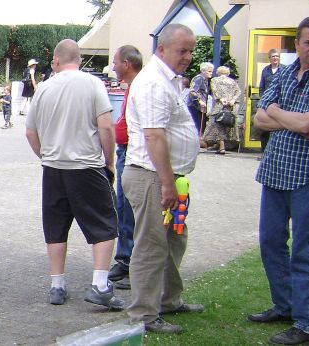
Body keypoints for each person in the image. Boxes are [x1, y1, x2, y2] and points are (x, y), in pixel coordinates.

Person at [248, 16, 309, 345]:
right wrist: (288, 117)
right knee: (271, 242)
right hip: (275, 169)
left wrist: (278, 113)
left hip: (307, 175)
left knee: (305, 249)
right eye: (308, 42)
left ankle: (306, 324)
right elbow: (261, 117)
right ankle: (285, 305)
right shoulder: (286, 72)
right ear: (297, 44)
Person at [25, 39, 124, 310]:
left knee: (55, 226)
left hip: (54, 169)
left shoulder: (43, 88)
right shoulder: (92, 84)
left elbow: (30, 132)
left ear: (56, 60)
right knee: (104, 224)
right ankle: (101, 286)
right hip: (86, 167)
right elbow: (105, 127)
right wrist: (109, 162)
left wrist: (45, 155)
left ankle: (57, 285)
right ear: (78, 60)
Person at [122, 23, 203, 334]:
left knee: (173, 240)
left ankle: (168, 300)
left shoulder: (167, 80)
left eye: (191, 50)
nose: (188, 56)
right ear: (162, 49)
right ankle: (143, 314)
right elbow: (154, 136)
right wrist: (168, 184)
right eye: (182, 50)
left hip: (168, 177)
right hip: (152, 177)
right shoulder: (155, 82)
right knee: (151, 246)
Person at [107, 45, 143, 289]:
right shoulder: (133, 87)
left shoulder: (139, 86)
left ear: (127, 64)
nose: (113, 67)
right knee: (124, 206)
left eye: (116, 63)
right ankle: (125, 260)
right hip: (126, 151)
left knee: (127, 206)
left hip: (132, 154)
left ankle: (129, 262)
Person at [202, 66, 241, 154]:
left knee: (217, 124)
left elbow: (215, 91)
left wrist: (221, 99)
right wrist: (233, 100)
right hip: (230, 106)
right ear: (228, 73)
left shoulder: (214, 80)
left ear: (218, 72)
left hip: (220, 105)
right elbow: (238, 91)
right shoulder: (232, 81)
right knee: (226, 125)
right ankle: (221, 146)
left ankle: (221, 146)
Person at [257, 49, 285, 156]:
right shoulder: (266, 70)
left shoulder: (284, 69)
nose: (275, 58)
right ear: (269, 58)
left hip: (279, 104)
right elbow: (262, 86)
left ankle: (277, 153)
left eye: (277, 56)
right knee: (265, 128)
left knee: (278, 128)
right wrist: (263, 99)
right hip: (267, 103)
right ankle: (264, 152)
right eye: (273, 56)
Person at [187, 62, 213, 136]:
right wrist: (200, 101)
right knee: (197, 125)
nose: (211, 73)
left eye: (212, 71)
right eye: (209, 71)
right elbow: (192, 91)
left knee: (202, 125)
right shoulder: (199, 78)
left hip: (201, 107)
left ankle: (199, 140)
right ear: (203, 71)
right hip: (194, 106)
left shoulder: (206, 80)